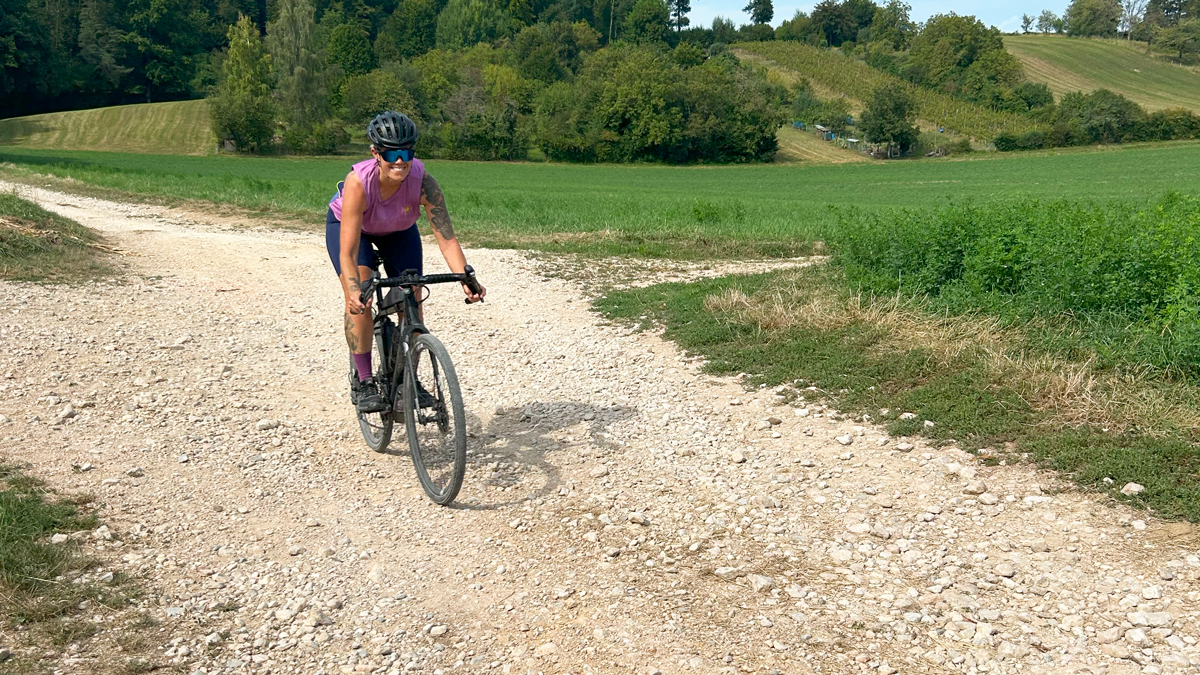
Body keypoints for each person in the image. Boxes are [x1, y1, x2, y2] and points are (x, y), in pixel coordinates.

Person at [327, 110, 485, 413]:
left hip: (399, 230)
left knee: (412, 299)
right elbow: (346, 253)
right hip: (354, 232)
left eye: (407, 152)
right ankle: (365, 381)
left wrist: (466, 277)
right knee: (361, 293)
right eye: (391, 153)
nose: (400, 160)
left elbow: (446, 238)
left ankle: (406, 382)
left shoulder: (424, 182)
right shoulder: (359, 182)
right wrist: (351, 291)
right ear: (376, 153)